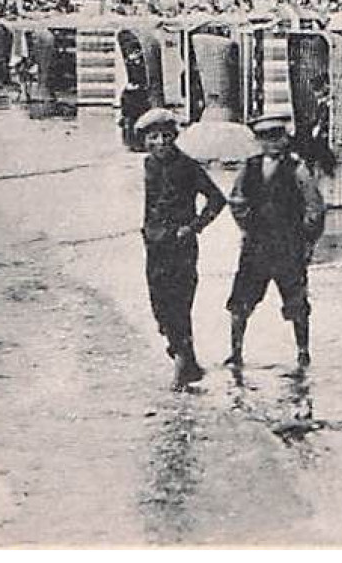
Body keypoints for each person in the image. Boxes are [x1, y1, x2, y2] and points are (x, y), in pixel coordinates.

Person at [225, 113, 327, 370]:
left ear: (285, 139)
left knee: (296, 300)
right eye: (266, 138)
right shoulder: (249, 167)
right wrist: (248, 225)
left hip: (288, 246)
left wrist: (306, 240)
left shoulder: (298, 169)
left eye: (278, 137)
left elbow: (314, 207)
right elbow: (236, 200)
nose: (273, 143)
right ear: (258, 141)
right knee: (241, 301)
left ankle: (303, 351)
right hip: (256, 246)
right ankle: (235, 352)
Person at [137, 108, 227, 389]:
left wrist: (194, 226)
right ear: (146, 141)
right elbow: (150, 204)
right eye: (154, 137)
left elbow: (217, 199)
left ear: (174, 137)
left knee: (179, 303)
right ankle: (187, 360)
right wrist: (146, 230)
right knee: (159, 306)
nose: (161, 142)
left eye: (166, 136)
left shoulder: (187, 166)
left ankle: (181, 364)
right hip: (154, 245)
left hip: (181, 244)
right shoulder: (149, 165)